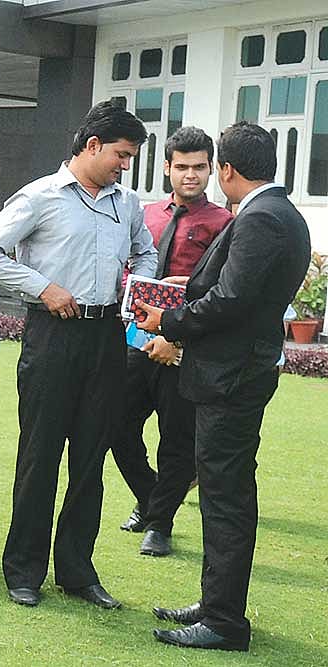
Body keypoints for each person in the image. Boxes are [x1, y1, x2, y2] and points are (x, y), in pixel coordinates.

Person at [0, 100, 156, 609]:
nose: (125, 164)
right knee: (40, 455)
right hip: (52, 335)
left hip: (106, 338)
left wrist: (138, 286)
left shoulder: (128, 203)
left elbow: (145, 250)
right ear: (92, 146)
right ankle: (24, 570)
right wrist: (42, 288)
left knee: (91, 458)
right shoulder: (39, 197)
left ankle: (78, 571)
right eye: (121, 154)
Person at [138, 121, 310, 652]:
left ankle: (224, 620)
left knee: (226, 498)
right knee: (222, 493)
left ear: (227, 169)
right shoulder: (280, 214)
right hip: (236, 372)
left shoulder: (262, 218)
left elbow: (230, 300)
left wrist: (169, 322)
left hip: (231, 378)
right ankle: (217, 604)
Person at [112, 126, 233, 558]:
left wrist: (178, 338)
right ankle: (150, 498)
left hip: (185, 347)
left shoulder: (224, 224)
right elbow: (126, 268)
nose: (190, 175)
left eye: (199, 167)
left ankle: (159, 524)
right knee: (115, 426)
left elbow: (224, 290)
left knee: (176, 441)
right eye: (181, 167)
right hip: (136, 339)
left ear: (213, 170)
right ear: (166, 168)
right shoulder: (145, 215)